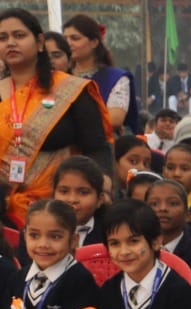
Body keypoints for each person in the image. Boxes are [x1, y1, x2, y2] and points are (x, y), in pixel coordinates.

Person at [0, 9, 113, 224]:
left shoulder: (70, 91)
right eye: (2, 38)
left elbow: (96, 147)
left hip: (61, 211)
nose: (10, 43)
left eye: (19, 35)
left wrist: (102, 185)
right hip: (3, 212)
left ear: (40, 42)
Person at [62, 14, 134, 134]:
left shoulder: (116, 78)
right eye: (65, 39)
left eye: (75, 38)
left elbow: (114, 119)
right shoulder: (61, 76)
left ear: (94, 42)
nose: (68, 43)